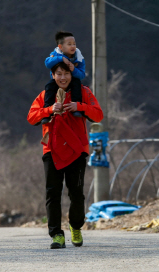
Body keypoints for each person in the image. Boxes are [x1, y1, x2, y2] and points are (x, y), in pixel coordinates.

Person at [27, 62, 103, 249]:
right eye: (58, 73)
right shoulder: (45, 95)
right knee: (52, 193)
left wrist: (79, 106)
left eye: (66, 73)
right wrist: (50, 109)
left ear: (72, 74)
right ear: (52, 75)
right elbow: (31, 117)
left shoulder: (83, 92)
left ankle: (75, 227)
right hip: (51, 150)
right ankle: (56, 235)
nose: (62, 77)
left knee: (76, 193)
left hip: (77, 149)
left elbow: (99, 115)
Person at [42, 31, 86, 123]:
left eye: (74, 44)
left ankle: (77, 108)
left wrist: (74, 69)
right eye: (69, 44)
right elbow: (47, 63)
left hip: (71, 81)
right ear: (60, 47)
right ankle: (47, 111)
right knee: (49, 86)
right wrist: (61, 58)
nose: (73, 46)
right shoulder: (56, 54)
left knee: (77, 84)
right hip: (56, 82)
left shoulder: (79, 58)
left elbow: (82, 75)